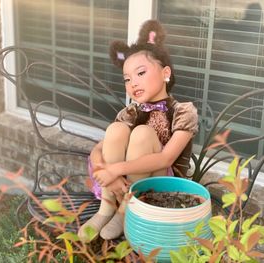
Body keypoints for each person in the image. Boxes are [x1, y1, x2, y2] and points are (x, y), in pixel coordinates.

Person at [78, 20, 198, 241]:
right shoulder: (130, 112)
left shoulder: (183, 111)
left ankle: (125, 213)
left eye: (140, 73)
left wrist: (115, 170)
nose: (133, 83)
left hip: (163, 186)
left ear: (165, 73)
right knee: (115, 129)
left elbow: (165, 158)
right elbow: (98, 150)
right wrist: (106, 172)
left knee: (142, 133)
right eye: (127, 79)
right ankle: (106, 209)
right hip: (122, 184)